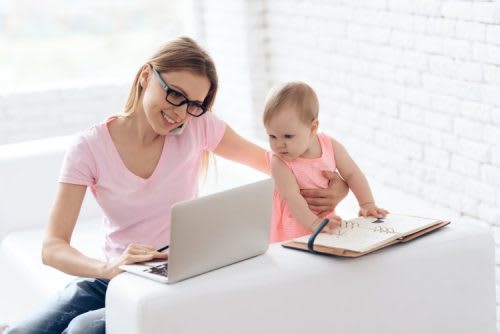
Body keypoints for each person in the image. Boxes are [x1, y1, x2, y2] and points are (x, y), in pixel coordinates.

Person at [3, 38, 348, 334]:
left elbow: (276, 163)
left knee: (83, 330)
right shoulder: (88, 148)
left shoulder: (199, 128)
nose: (181, 113)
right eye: (176, 95)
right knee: (24, 330)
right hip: (115, 276)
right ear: (145, 78)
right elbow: (52, 247)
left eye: (195, 105)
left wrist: (339, 187)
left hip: (178, 276)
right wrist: (106, 268)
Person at [263, 81, 388, 243]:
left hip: (323, 217)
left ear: (312, 128)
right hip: (294, 220)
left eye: (288, 136)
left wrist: (367, 203)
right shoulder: (278, 161)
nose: (279, 144)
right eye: (272, 136)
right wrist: (314, 223)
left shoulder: (330, 146)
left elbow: (352, 173)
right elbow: (291, 197)